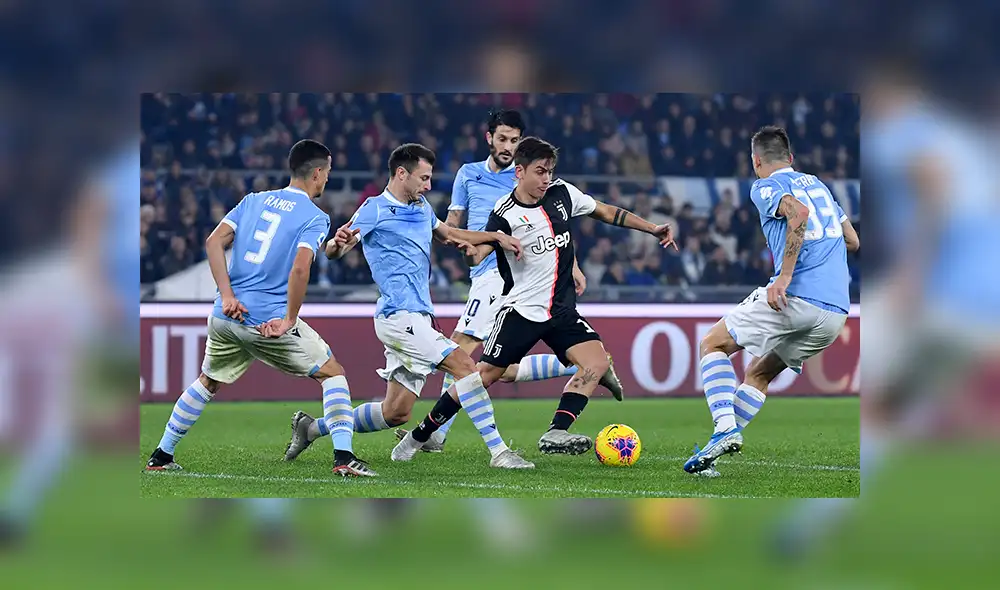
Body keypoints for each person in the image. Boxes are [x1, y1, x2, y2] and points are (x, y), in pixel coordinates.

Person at [392, 136, 676, 458]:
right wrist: (470, 252)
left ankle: (556, 432)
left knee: (597, 363)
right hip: (520, 311)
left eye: (550, 171)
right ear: (520, 172)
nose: (546, 179)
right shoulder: (505, 214)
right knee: (483, 377)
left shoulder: (563, 194)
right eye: (540, 172)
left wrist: (652, 228)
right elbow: (481, 251)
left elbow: (606, 211)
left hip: (561, 310)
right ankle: (420, 435)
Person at [144, 139, 376, 477]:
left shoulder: (253, 200)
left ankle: (160, 456)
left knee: (207, 381)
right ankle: (343, 458)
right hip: (266, 320)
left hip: (227, 314)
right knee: (332, 372)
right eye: (327, 173)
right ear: (316, 173)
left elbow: (213, 242)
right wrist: (289, 320)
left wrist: (226, 295)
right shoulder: (315, 216)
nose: (327, 180)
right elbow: (300, 267)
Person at [309, 143, 533, 469]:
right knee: (465, 366)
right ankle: (499, 452)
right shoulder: (374, 208)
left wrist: (495, 238)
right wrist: (335, 244)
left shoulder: (422, 207)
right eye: (423, 178)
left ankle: (312, 427)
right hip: (398, 317)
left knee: (395, 412)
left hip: (420, 317)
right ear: (402, 174)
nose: (428, 186)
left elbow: (448, 233)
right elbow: (335, 250)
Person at [683, 126, 857, 475]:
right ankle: (714, 452)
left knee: (712, 344)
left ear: (756, 160)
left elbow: (799, 215)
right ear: (791, 158)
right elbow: (851, 240)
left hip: (797, 296)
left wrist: (786, 275)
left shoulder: (767, 185)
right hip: (837, 310)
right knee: (759, 373)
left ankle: (724, 429)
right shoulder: (820, 185)